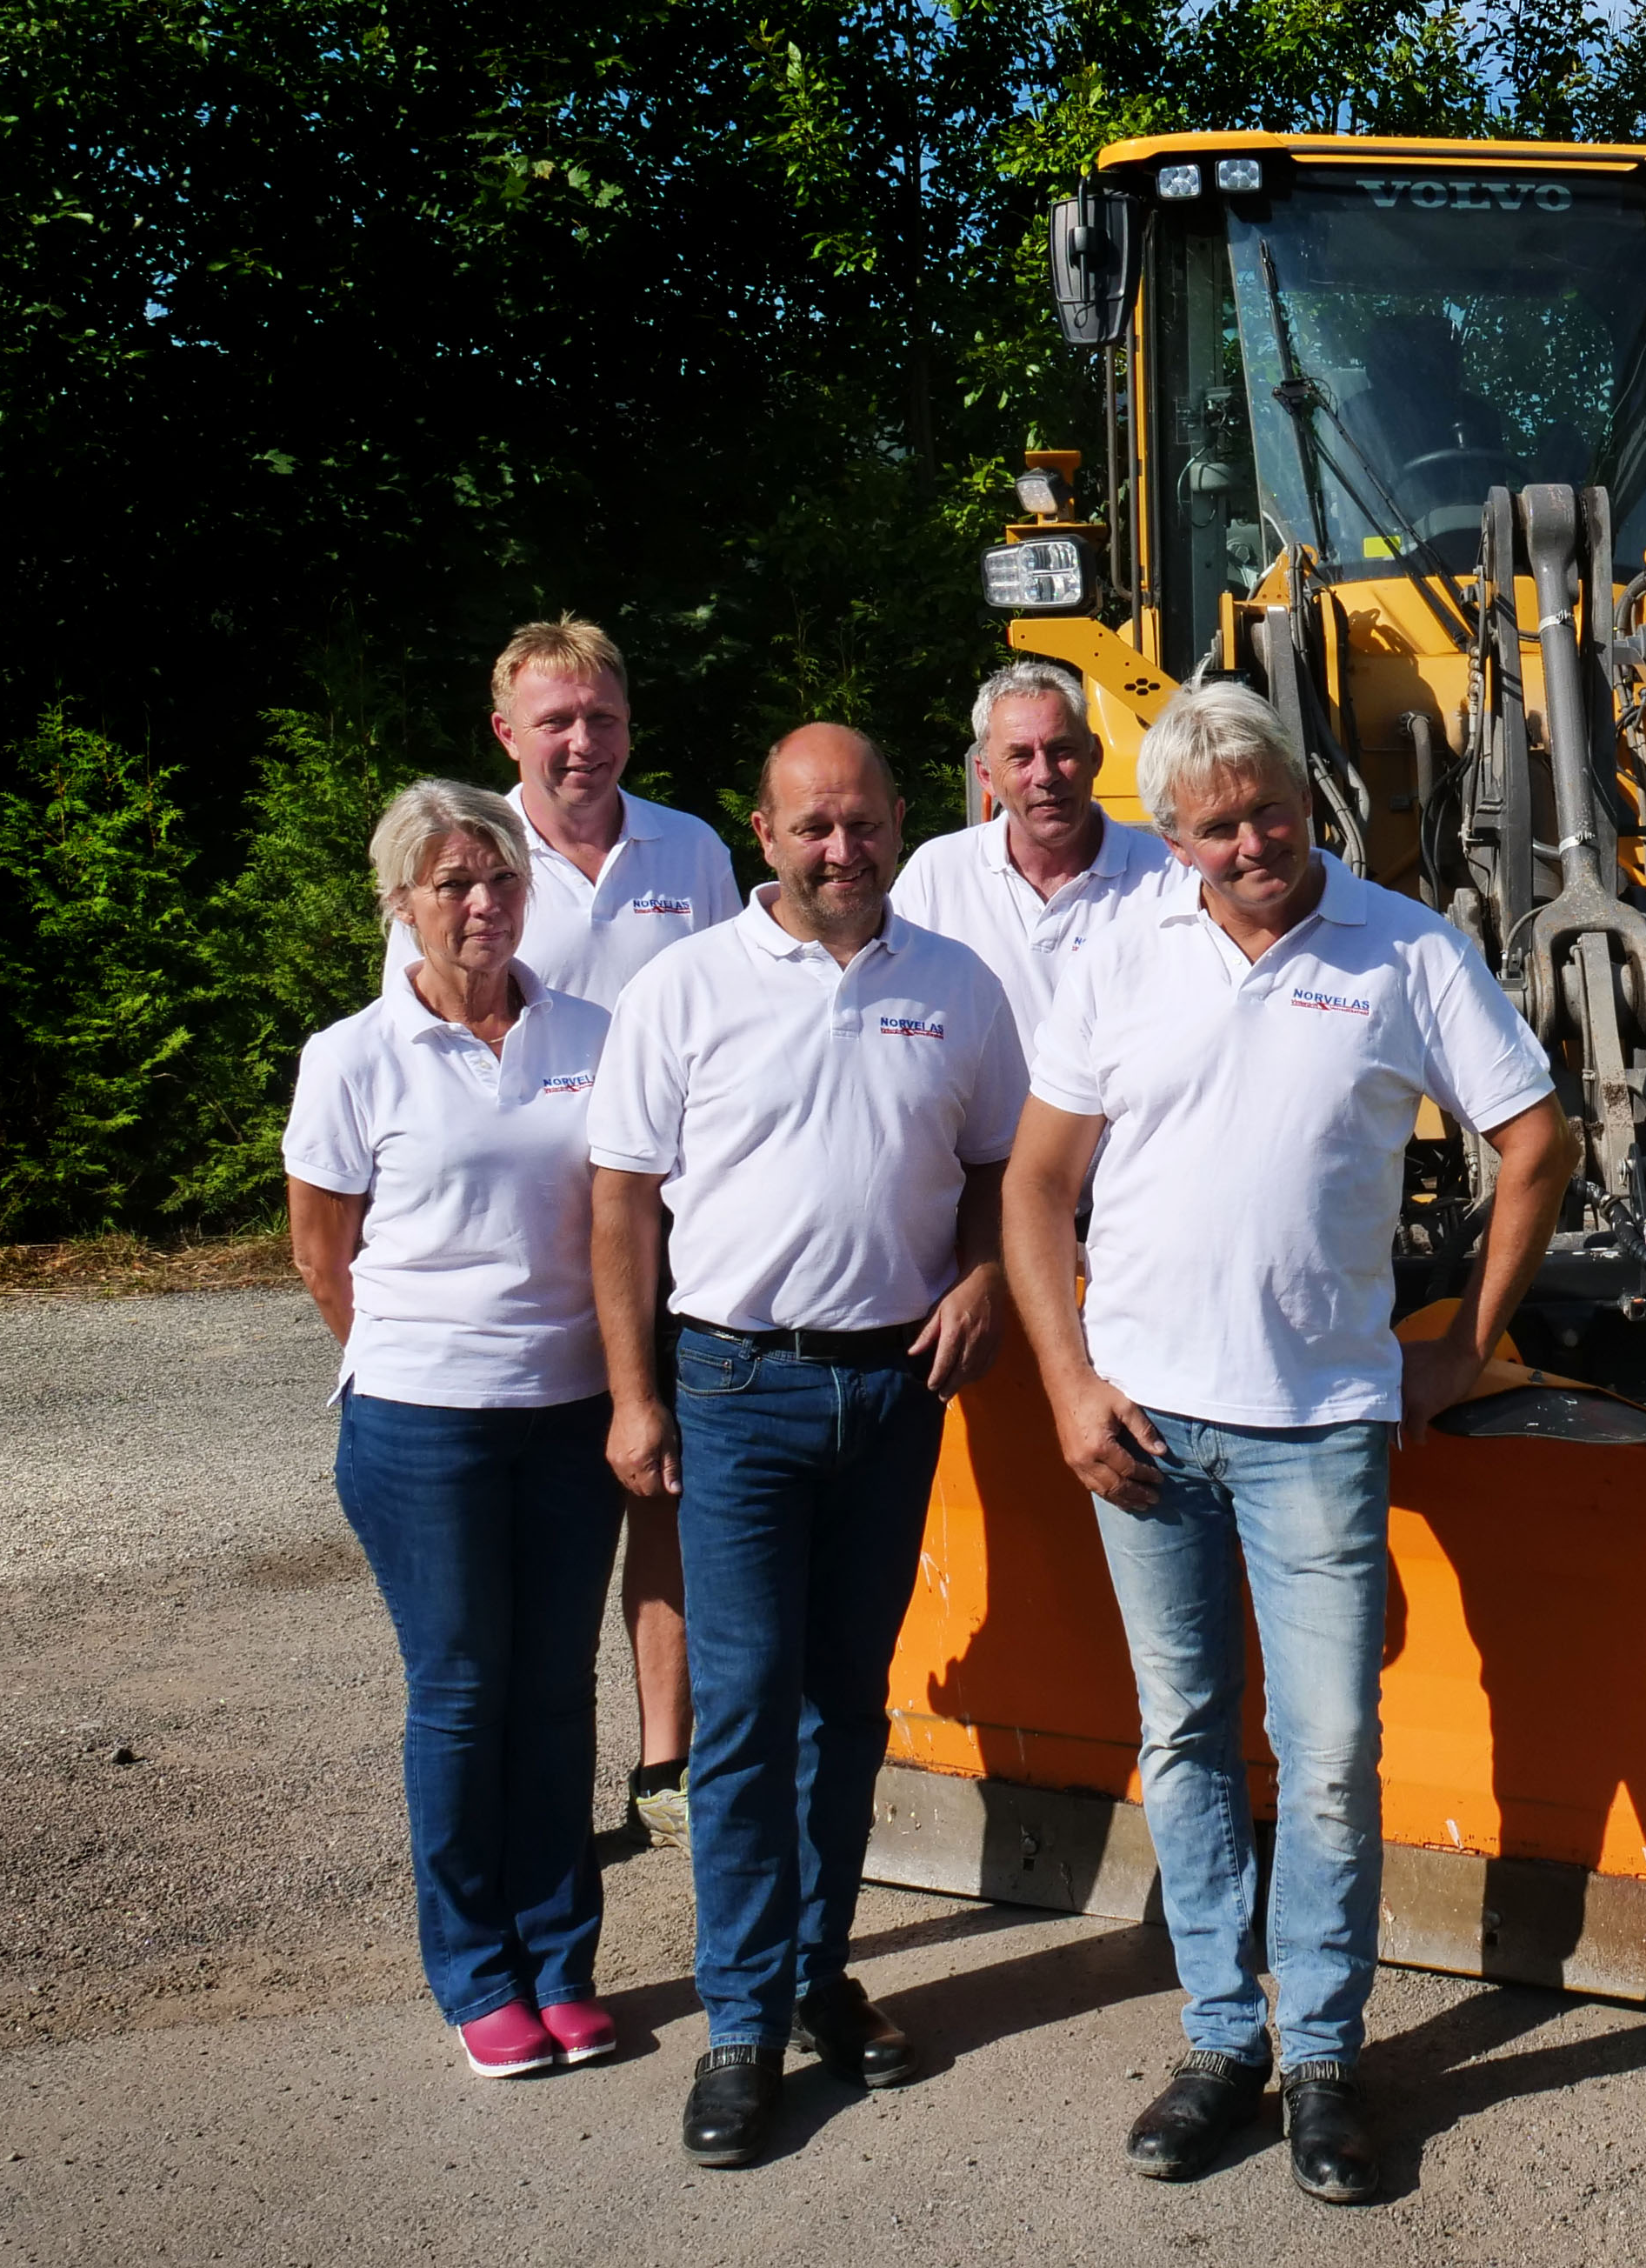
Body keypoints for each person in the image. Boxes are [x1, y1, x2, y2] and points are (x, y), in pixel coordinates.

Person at [1002, 682, 1572, 2208]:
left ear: (1308, 799)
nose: (1251, 843)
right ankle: (1218, 2039)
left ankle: (1321, 2053)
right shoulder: (1121, 954)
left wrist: (1464, 1340)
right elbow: (1037, 1185)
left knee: (1327, 1756)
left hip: (1318, 1428)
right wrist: (1067, 1384)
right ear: (1170, 838)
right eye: (1214, 827)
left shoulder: (1407, 949)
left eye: (1270, 811)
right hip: (1142, 1427)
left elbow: (1536, 1139)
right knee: (1185, 1736)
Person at [585, 724, 1027, 2168]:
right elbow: (621, 1200)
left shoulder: (957, 985)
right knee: (744, 1708)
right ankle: (737, 2023)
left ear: (903, 821)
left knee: (845, 1703)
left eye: (864, 823)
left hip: (894, 1389)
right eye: (812, 827)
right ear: (763, 836)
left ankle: (815, 1972)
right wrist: (633, 1394)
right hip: (737, 1386)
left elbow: (995, 1168)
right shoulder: (686, 985)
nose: (842, 850)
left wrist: (981, 1276)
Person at [283, 780, 629, 2081]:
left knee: (556, 1690)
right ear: (401, 904)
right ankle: (479, 1975)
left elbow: (629, 1216)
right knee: (464, 1692)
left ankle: (561, 1962)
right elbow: (323, 1256)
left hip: (572, 1414)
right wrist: (423, 1359)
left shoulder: (595, 1034)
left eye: (502, 880)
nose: (484, 904)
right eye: (453, 884)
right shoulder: (352, 1056)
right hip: (422, 1426)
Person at [387, 618, 744, 1857]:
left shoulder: (691, 848)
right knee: (531, 1535)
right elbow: (414, 1043)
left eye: (601, 718)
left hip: (669, 1224)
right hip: (523, 1248)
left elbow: (736, 1010)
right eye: (556, 721)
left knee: (661, 1490)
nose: (581, 742)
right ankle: (528, 1787)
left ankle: (663, 1768)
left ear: (629, 725)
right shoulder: (464, 855)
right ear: (507, 734)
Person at [888, 657, 1172, 1027]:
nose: (1045, 775)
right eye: (1020, 757)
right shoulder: (938, 874)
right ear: (985, 774)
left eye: (1061, 751)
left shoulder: (1167, 878)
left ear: (1095, 757)